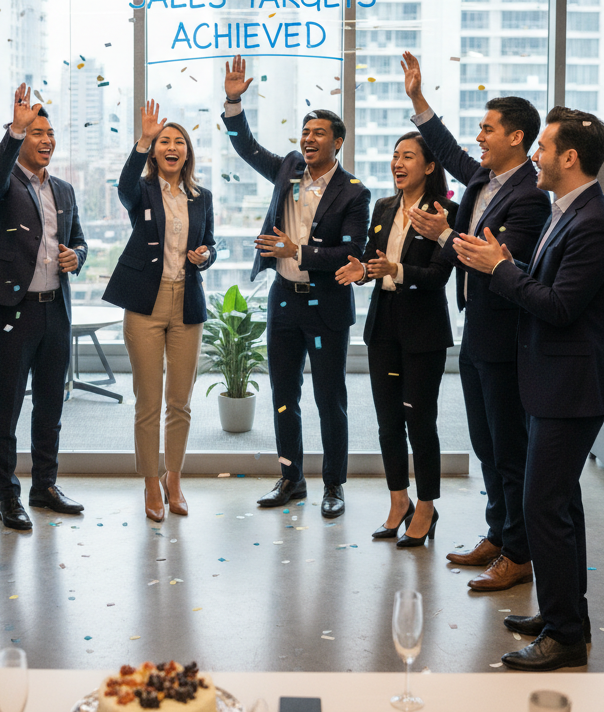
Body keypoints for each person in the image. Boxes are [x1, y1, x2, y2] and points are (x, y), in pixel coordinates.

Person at [452, 107, 604, 671]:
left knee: (543, 506)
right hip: (550, 380)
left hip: (570, 386)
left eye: (544, 149)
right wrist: (504, 261)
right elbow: (544, 279)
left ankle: (564, 637)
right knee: (560, 502)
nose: (536, 159)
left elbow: (559, 305)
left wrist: (501, 268)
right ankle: (564, 616)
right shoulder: (565, 210)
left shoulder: (595, 221)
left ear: (569, 157)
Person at [401, 50, 550, 591]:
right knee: (485, 443)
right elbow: (446, 149)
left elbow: (497, 259)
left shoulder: (531, 194)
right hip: (476, 335)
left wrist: (442, 235)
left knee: (508, 447)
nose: (479, 137)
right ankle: (498, 531)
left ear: (517, 138)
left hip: (506, 338)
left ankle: (519, 552)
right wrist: (419, 101)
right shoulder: (485, 178)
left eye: (488, 129)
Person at [222, 56, 370, 518]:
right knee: (285, 397)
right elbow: (244, 147)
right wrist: (233, 102)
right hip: (283, 301)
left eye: (318, 133)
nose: (308, 140)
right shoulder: (287, 168)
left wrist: (295, 251)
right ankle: (290, 478)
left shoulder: (354, 192)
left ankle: (334, 485)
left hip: (326, 306)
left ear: (338, 142)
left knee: (330, 400)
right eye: (305, 133)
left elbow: (350, 256)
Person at [336, 131, 457, 546]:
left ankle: (426, 506)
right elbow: (374, 259)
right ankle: (398, 501)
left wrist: (393, 270)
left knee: (420, 422)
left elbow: (440, 275)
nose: (398, 163)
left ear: (428, 166)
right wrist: (363, 271)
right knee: (388, 422)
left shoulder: (444, 213)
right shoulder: (385, 207)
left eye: (408, 156)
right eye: (394, 156)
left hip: (424, 330)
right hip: (383, 327)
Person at [0, 85, 88, 530]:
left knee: (49, 405)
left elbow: (78, 239)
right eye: (35, 132)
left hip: (54, 310)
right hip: (13, 311)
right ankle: (8, 497)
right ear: (21, 137)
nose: (46, 140)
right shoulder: (3, 187)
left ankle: (45, 486)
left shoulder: (63, 189)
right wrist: (12, 130)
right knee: (6, 406)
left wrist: (76, 256)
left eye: (49, 133)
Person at [103, 100, 217, 522]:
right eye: (164, 142)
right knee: (148, 401)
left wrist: (205, 256)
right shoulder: (143, 191)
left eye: (178, 142)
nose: (172, 147)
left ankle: (174, 478)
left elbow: (212, 245)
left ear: (187, 152)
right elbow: (124, 185)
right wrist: (142, 140)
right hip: (145, 305)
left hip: (187, 301)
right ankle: (151, 483)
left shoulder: (201, 197)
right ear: (155, 152)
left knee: (180, 402)